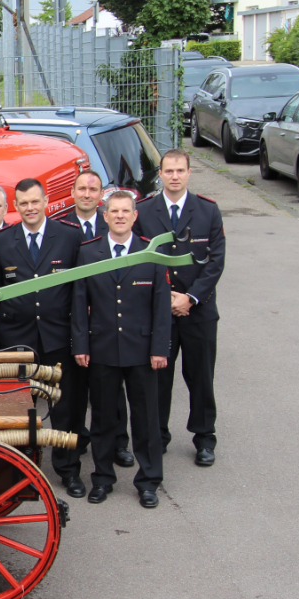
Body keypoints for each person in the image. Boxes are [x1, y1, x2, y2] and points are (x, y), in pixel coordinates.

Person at [0, 179, 84, 497]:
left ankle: (69, 470)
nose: (29, 208)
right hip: (17, 338)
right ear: (16, 205)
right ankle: (18, 472)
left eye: (34, 202)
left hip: (57, 336)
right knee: (18, 409)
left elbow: (78, 292)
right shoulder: (2, 242)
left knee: (64, 407)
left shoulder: (69, 237)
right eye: (23, 203)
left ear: (45, 202)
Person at [72, 190, 170, 508]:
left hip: (141, 350)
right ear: (105, 215)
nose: (120, 216)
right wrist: (81, 344)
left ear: (134, 215)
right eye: (114, 211)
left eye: (126, 211)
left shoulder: (151, 252)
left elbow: (161, 306)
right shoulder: (89, 252)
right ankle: (102, 479)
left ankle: (149, 481)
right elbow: (79, 301)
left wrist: (159, 348)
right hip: (102, 348)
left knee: (145, 419)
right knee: (103, 419)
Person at [137, 149, 225, 467]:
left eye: (180, 170)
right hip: (160, 311)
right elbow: (140, 260)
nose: (174, 176)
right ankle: (157, 435)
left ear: (189, 173)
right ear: (160, 174)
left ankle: (204, 438)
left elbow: (215, 263)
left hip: (199, 310)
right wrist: (168, 297)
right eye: (168, 171)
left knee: (200, 376)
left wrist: (190, 298)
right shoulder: (144, 211)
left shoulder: (208, 211)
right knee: (159, 376)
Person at [55, 171, 128, 468]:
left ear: (102, 196)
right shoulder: (61, 227)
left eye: (93, 189)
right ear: (72, 193)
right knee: (75, 388)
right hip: (72, 319)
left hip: (108, 321)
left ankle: (119, 443)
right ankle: (79, 438)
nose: (87, 194)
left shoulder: (112, 222)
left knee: (111, 390)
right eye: (82, 188)